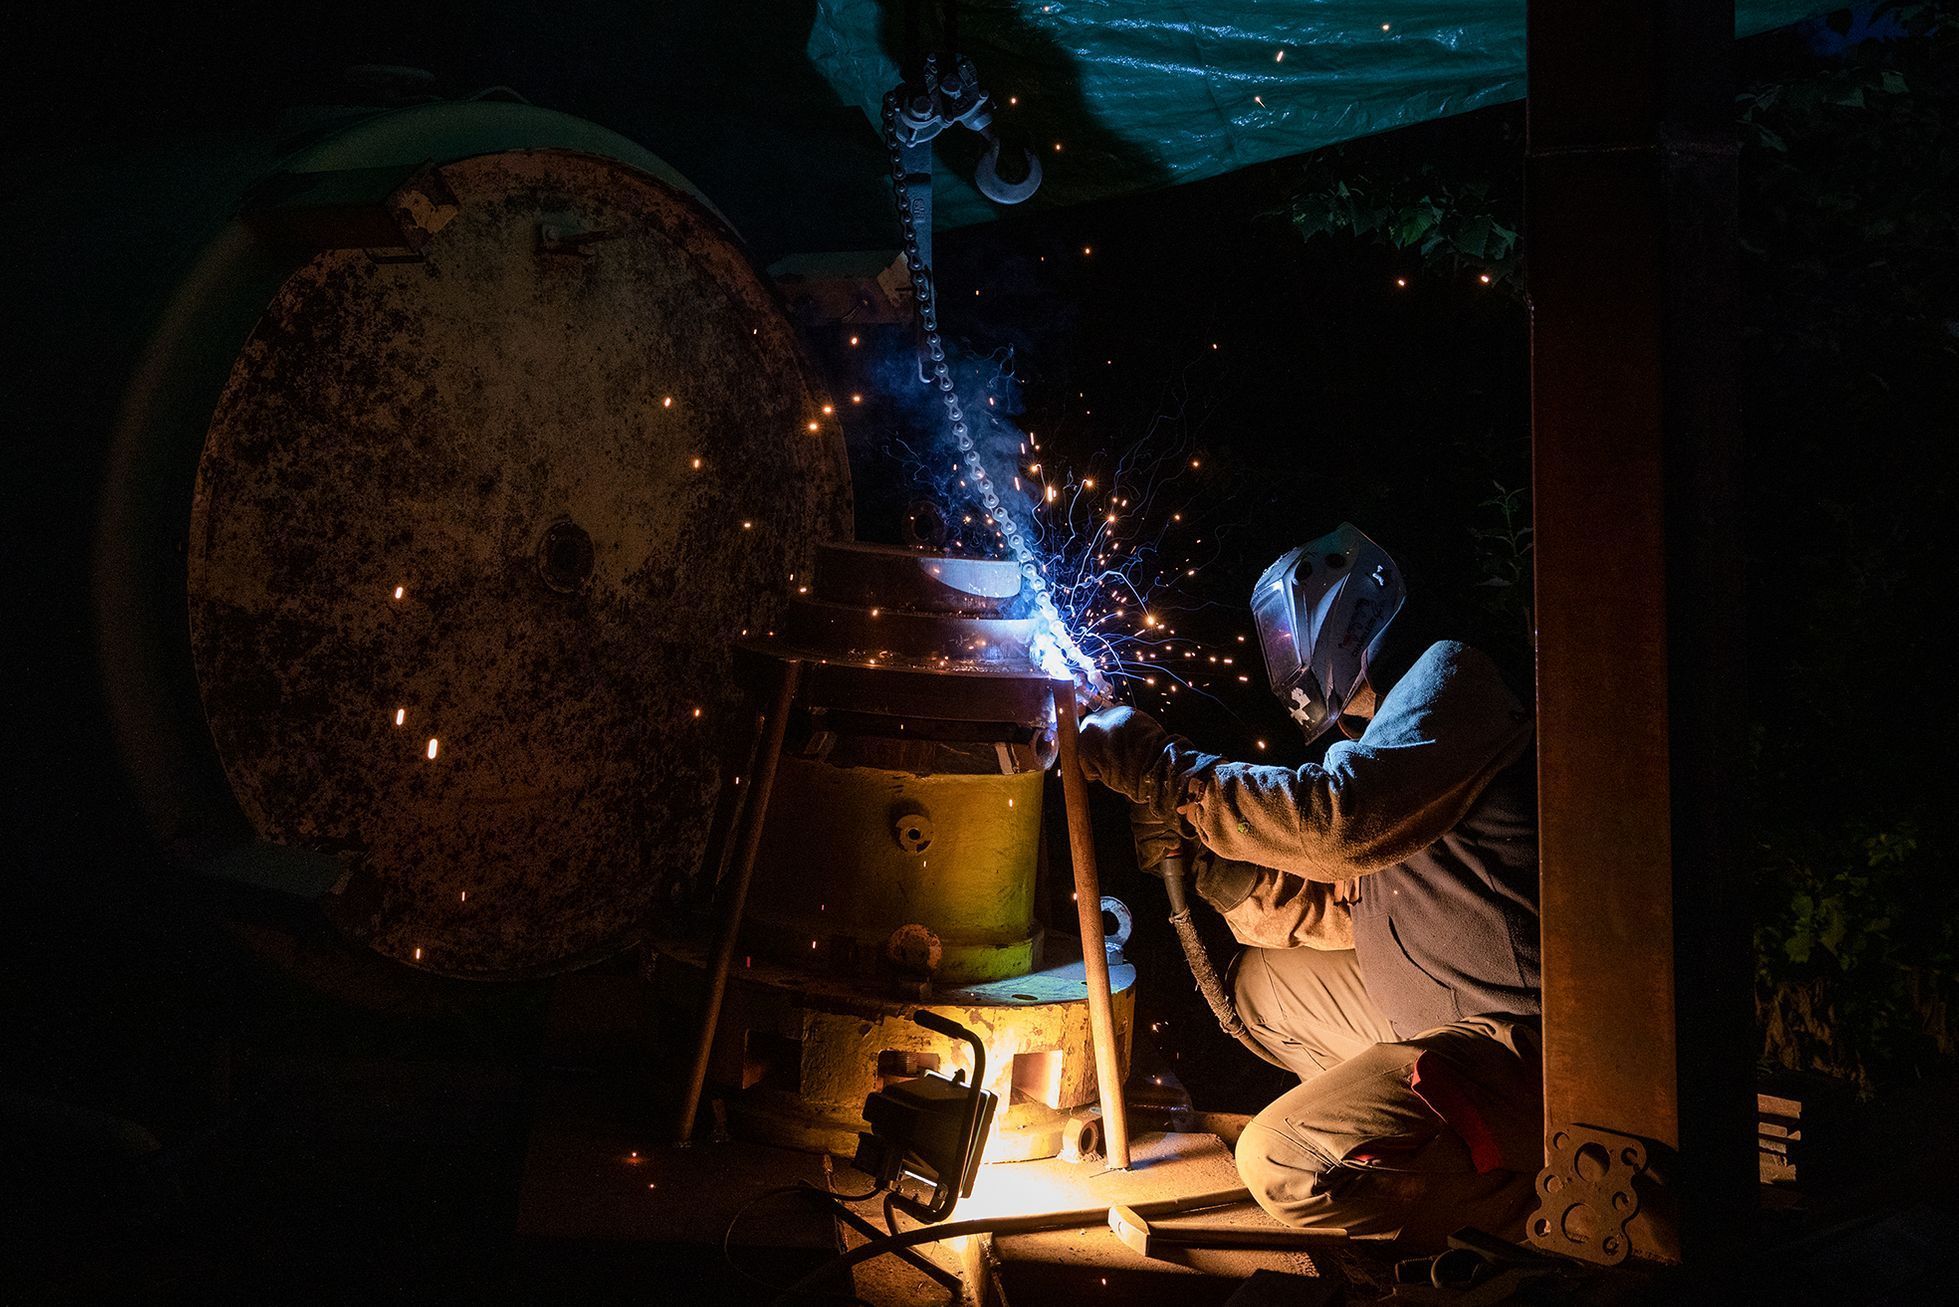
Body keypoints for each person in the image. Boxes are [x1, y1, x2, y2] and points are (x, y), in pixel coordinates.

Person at [1077, 523, 1543, 1247]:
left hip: (1514, 1045)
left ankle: (1514, 1204)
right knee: (1264, 987)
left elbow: (1334, 823)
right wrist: (1219, 874)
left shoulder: (1453, 676)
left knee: (1279, 1163)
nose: (1285, 660)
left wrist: (1164, 771)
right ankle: (1410, 1143)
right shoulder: (1392, 743)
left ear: (1349, 616)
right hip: (1447, 1010)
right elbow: (1357, 913)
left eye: (1287, 640)